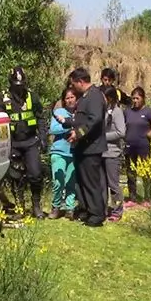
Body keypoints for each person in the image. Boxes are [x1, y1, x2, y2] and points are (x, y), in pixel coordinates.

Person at [63, 67, 108, 227]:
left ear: (80, 82)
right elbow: (81, 119)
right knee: (83, 181)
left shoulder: (94, 96)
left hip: (91, 147)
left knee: (91, 182)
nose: (72, 88)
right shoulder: (85, 97)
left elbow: (94, 120)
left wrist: (78, 133)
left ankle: (97, 214)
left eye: (73, 84)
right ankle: (87, 210)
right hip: (83, 147)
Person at [0, 66, 47, 218]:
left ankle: (36, 206)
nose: (19, 88)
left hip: (31, 142)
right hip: (13, 143)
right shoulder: (3, 99)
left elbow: (40, 118)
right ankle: (20, 207)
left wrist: (43, 137)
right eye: (16, 85)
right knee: (15, 177)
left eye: (22, 85)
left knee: (36, 174)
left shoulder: (32, 97)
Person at [123, 86, 151, 206]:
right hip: (130, 146)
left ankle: (147, 199)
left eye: (137, 98)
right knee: (131, 172)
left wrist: (150, 134)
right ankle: (132, 198)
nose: (135, 101)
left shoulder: (148, 112)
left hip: (143, 146)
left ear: (143, 98)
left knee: (146, 172)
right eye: (133, 98)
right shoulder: (127, 112)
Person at [47, 87, 79, 219]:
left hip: (74, 152)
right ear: (64, 100)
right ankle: (56, 206)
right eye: (67, 98)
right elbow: (53, 129)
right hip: (59, 151)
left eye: (72, 97)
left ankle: (70, 207)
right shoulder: (59, 112)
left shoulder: (80, 113)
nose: (70, 100)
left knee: (71, 181)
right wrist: (69, 125)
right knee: (58, 181)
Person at [102, 86, 126, 222]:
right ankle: (103, 209)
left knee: (113, 184)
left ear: (110, 98)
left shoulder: (117, 112)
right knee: (102, 184)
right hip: (101, 152)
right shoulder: (104, 110)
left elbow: (121, 132)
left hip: (112, 153)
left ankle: (117, 210)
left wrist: (103, 137)